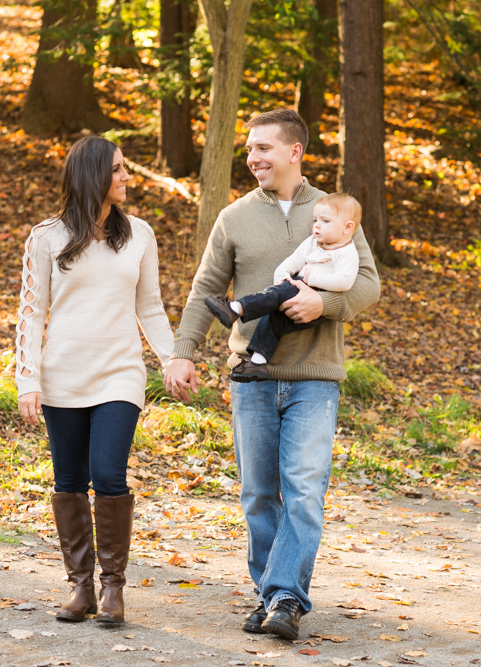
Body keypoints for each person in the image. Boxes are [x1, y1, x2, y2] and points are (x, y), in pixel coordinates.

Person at [164, 109, 380, 640]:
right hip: (251, 376)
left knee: (304, 488)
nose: (253, 157)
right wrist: (183, 351)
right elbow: (204, 289)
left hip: (314, 375)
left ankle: (286, 597)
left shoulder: (335, 211)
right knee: (259, 492)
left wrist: (324, 304)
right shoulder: (234, 217)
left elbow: (368, 285)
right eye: (248, 149)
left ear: (294, 152)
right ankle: (270, 596)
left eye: (263, 147)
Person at [15, 136, 174, 626]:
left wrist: (172, 359)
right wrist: (27, 379)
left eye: (126, 169)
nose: (128, 177)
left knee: (108, 476)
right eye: (119, 169)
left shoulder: (141, 234)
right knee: (68, 481)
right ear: (92, 176)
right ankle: (79, 585)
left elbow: (150, 306)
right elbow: (30, 311)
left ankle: (112, 588)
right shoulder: (45, 237)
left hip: (120, 374)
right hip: (63, 375)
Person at [203, 192, 362, 383]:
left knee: (281, 295)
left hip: (316, 301)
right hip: (295, 286)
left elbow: (344, 281)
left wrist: (312, 278)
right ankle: (258, 362)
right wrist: (282, 278)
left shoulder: (347, 253)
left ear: (348, 228)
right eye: (315, 220)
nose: (317, 225)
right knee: (273, 320)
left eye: (325, 221)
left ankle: (236, 309)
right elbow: (291, 262)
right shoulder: (313, 241)